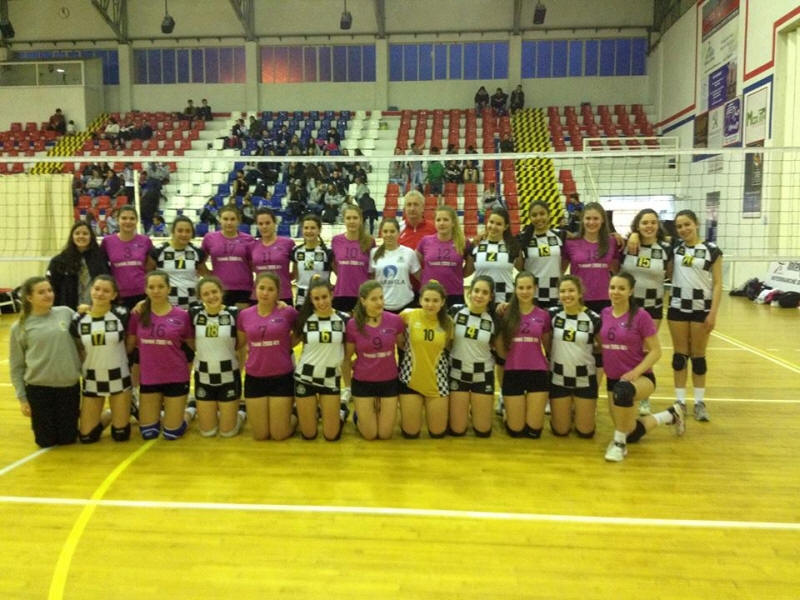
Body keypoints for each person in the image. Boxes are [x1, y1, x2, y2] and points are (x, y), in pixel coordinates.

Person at [601, 272, 685, 462]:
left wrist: (635, 372)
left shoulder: (641, 316)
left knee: (623, 392)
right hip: (614, 379)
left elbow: (656, 351)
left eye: (621, 288)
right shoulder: (604, 314)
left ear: (631, 291)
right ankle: (670, 415)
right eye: (612, 287)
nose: (616, 292)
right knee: (629, 431)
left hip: (640, 379)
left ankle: (619, 446)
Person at [9, 277, 82, 448]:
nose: (48, 295)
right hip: (39, 390)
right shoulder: (19, 327)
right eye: (41, 292)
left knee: (68, 439)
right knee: (45, 442)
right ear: (29, 297)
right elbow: (16, 366)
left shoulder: (66, 313)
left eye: (50, 290)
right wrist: (22, 399)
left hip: (68, 387)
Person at [667, 209, 723, 422]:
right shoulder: (675, 247)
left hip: (701, 308)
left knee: (698, 357)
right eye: (679, 226)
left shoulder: (712, 250)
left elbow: (717, 284)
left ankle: (699, 403)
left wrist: (713, 313)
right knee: (679, 356)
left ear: (696, 224)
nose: (683, 229)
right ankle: (680, 402)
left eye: (687, 224)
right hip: (677, 307)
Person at [126, 271, 193, 440]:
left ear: (169, 289)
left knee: (172, 434)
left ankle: (190, 411)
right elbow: (130, 346)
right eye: (152, 287)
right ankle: (166, 413)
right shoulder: (138, 314)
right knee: (149, 433)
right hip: (150, 378)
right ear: (146, 290)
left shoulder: (183, 315)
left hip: (176, 377)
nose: (156, 291)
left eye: (161, 286)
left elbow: (193, 346)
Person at [622, 208, 674, 415]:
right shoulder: (627, 246)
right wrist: (632, 236)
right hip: (629, 306)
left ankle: (644, 395)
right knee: (629, 350)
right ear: (637, 225)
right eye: (644, 223)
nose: (649, 226)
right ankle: (627, 387)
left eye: (653, 222)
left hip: (652, 307)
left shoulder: (666, 248)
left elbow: (671, 274)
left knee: (646, 351)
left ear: (658, 225)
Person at [71, 275, 133, 443]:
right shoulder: (78, 318)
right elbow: (78, 348)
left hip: (119, 375)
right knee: (86, 437)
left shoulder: (122, 314)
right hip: (92, 377)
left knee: (120, 435)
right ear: (91, 290)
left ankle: (127, 405)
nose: (100, 293)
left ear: (114, 295)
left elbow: (131, 343)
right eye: (97, 289)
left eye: (106, 291)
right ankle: (111, 414)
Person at [237, 273, 298, 441]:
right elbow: (240, 343)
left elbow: (301, 331)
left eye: (271, 289)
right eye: (262, 288)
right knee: (260, 435)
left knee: (279, 434)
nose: (265, 293)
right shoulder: (244, 315)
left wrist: (287, 345)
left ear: (278, 293)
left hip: (281, 378)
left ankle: (296, 415)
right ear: (255, 289)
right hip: (255, 377)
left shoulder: (287, 312)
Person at [345, 281, 405, 440]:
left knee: (385, 434)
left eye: (381, 297)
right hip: (363, 382)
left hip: (389, 381)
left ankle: (373, 410)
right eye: (374, 299)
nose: (379, 302)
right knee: (370, 435)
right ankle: (359, 415)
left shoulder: (395, 320)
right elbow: (346, 358)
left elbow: (403, 346)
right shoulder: (353, 325)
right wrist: (347, 387)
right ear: (363, 300)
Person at [293, 278, 351, 441]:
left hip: (330, 379)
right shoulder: (304, 318)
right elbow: (289, 344)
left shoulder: (344, 319)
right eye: (316, 298)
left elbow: (348, 354)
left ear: (332, 295)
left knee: (331, 436)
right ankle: (305, 411)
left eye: (324, 297)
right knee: (309, 435)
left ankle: (341, 410)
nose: (321, 302)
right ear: (311, 300)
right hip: (305, 377)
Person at [496, 272, 552, 438]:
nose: (525, 291)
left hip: (537, 372)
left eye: (529, 287)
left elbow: (547, 344)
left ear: (535, 288)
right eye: (521, 287)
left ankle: (524, 408)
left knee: (534, 432)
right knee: (516, 431)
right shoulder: (505, 313)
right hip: (513, 372)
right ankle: (509, 411)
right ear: (515, 289)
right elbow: (500, 346)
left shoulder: (543, 315)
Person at [190, 277, 245, 438]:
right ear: (200, 297)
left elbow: (241, 343)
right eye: (206, 294)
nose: (211, 296)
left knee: (227, 432)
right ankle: (192, 407)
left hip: (229, 375)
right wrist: (143, 303)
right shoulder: (193, 313)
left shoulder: (235, 313)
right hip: (203, 376)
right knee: (208, 432)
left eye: (214, 292)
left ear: (221, 292)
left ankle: (242, 413)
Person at [548, 275, 602, 438]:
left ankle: (577, 408)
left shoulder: (593, 318)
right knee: (561, 431)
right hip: (558, 377)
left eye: (571, 290)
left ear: (580, 293)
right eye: (562, 291)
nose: (567, 295)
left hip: (584, 378)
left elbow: (602, 349)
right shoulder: (552, 314)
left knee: (585, 432)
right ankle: (565, 410)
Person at [398, 280, 452, 438]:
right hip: (409, 380)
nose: (430, 304)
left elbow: (449, 348)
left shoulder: (448, 323)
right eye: (427, 300)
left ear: (442, 302)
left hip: (437, 382)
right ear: (420, 300)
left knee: (437, 433)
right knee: (410, 433)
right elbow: (398, 340)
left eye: (435, 300)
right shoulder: (407, 315)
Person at [448, 275, 497, 437]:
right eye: (476, 290)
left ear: (491, 297)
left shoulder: (494, 319)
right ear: (469, 292)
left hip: (482, 375)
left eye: (485, 292)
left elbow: (498, 348)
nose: (479, 295)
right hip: (457, 373)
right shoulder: (455, 311)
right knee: (457, 430)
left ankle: (475, 409)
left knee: (482, 431)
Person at [562, 201, 619, 314]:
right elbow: (560, 270)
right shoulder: (570, 243)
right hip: (578, 298)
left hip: (604, 299)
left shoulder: (613, 242)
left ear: (602, 220)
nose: (591, 222)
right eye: (588, 218)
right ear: (582, 220)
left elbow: (617, 271)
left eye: (596, 218)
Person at [101, 205, 154, 310]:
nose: (128, 221)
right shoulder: (107, 242)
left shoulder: (145, 241)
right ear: (118, 220)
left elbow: (151, 269)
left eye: (132, 218)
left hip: (142, 294)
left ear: (137, 221)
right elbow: (102, 268)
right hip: (118, 296)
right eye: (124, 218)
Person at [47, 222, 110, 310]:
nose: (81, 236)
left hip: (94, 308)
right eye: (77, 233)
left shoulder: (100, 259)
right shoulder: (59, 261)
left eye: (85, 233)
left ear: (91, 237)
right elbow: (52, 287)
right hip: (68, 309)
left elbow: (107, 282)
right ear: (72, 237)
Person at [201, 206, 255, 308]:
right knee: (222, 318)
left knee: (241, 317)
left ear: (238, 221)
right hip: (218, 290)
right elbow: (200, 263)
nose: (229, 222)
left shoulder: (249, 239)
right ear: (219, 220)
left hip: (243, 289)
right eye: (225, 219)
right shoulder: (209, 238)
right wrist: (210, 277)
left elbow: (254, 265)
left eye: (232, 219)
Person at [417, 206, 471, 307]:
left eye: (445, 220)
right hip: (429, 295)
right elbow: (415, 264)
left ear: (453, 222)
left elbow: (470, 266)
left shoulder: (463, 242)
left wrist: (457, 275)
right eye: (438, 220)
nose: (441, 223)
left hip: (454, 293)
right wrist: (425, 277)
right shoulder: (425, 241)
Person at [517, 200, 567, 310]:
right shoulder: (522, 238)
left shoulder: (560, 235)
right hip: (532, 294)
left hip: (555, 292)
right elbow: (519, 267)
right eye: (534, 215)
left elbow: (565, 262)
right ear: (530, 218)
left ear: (548, 215)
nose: (539, 218)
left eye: (542, 213)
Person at [150, 216, 207, 309]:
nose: (184, 234)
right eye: (180, 231)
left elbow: (206, 275)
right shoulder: (158, 251)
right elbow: (147, 276)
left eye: (188, 231)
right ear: (173, 231)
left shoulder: (198, 251)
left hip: (193, 305)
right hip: (166, 306)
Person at [370, 218, 421, 313]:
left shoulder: (409, 253)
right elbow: (371, 279)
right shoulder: (373, 253)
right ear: (381, 233)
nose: (389, 234)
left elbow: (421, 277)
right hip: (381, 306)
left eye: (392, 231)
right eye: (385, 231)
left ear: (398, 233)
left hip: (406, 304)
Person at [470, 206, 519, 304]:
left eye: (499, 224)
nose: (493, 226)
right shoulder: (476, 244)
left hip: (505, 300)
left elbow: (522, 269)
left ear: (506, 227)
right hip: (480, 299)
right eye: (491, 222)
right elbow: (467, 271)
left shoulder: (513, 246)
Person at [331, 205, 375, 312]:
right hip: (341, 294)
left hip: (363, 296)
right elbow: (334, 264)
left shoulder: (370, 241)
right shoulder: (336, 240)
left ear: (361, 220)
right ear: (344, 220)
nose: (352, 221)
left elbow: (373, 271)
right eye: (348, 218)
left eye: (355, 218)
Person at [249, 208, 295, 306]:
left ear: (274, 223)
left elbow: (296, 271)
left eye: (267, 223)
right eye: (260, 224)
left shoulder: (288, 243)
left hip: (283, 295)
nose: (264, 226)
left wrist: (284, 279)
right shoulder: (252, 245)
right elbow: (250, 267)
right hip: (259, 296)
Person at [292, 213, 332, 308]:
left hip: (322, 296)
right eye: (306, 228)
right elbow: (295, 274)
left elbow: (339, 273)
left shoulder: (327, 252)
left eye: (313, 228)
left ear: (319, 230)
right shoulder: (296, 251)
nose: (309, 231)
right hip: (302, 296)